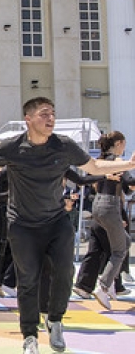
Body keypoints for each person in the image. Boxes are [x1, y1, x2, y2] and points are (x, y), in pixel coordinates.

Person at [0, 97, 135, 354]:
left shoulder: (64, 145)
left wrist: (129, 164)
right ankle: (29, 335)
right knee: (27, 280)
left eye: (52, 113)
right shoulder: (11, 147)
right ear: (28, 119)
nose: (50, 118)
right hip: (23, 225)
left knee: (64, 273)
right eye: (44, 114)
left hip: (56, 221)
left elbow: (93, 166)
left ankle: (54, 319)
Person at [82, 131, 132, 309]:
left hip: (99, 205)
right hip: (110, 206)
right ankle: (103, 285)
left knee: (125, 241)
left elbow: (126, 186)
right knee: (119, 249)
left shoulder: (103, 161)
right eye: (124, 144)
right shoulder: (117, 161)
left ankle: (110, 284)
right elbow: (130, 180)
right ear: (119, 143)